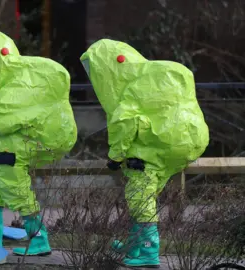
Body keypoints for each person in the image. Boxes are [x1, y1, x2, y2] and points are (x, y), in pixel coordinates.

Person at [79, 39, 209, 268]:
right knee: (143, 196)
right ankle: (135, 245)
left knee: (140, 197)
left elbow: (124, 124)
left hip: (150, 152)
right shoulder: (153, 77)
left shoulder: (131, 87)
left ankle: (148, 251)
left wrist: (115, 157)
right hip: (184, 142)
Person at [0, 28, 77, 261]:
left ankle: (39, 239)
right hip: (6, 149)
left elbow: (1, 116)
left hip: (11, 150)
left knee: (17, 191)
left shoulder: (17, 81)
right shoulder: (9, 81)